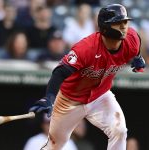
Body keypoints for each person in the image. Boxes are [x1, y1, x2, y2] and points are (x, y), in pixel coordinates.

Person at [29, 4, 145, 150]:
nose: (123, 27)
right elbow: (60, 72)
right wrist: (50, 97)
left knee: (119, 130)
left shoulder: (131, 39)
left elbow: (136, 43)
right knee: (54, 145)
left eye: (125, 22)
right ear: (104, 28)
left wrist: (137, 57)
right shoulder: (86, 48)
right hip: (69, 101)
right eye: (117, 23)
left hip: (100, 96)